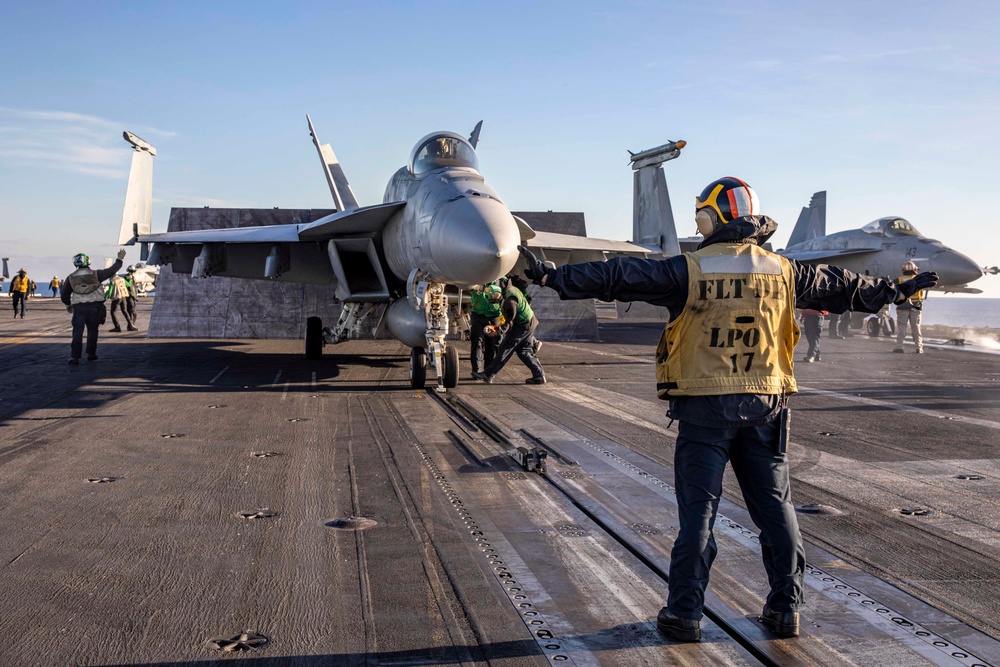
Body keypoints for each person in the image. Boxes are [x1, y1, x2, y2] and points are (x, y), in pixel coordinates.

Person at [518, 176, 938, 642]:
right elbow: (844, 288)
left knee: (699, 515)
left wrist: (551, 276)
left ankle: (684, 615)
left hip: (704, 409)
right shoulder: (784, 270)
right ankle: (786, 612)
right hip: (766, 406)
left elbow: (621, 276)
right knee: (777, 512)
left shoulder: (690, 269)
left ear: (712, 219)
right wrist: (897, 292)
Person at [474, 274, 546, 384]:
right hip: (530, 321)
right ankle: (539, 375)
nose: (495, 303)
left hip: (523, 325)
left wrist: (498, 331)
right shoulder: (509, 289)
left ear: (496, 295)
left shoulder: (509, 302)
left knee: (504, 349)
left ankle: (488, 375)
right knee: (524, 351)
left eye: (494, 301)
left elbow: (509, 321)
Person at [61, 250, 125, 364]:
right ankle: (91, 354)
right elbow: (112, 271)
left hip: (79, 308)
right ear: (88, 262)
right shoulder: (96, 274)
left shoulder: (71, 277)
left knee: (77, 332)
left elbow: (65, 294)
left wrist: (68, 304)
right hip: (95, 307)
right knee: (93, 331)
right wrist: (119, 259)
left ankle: (75, 357)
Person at [469, 280, 502, 378]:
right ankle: (476, 370)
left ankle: (488, 372)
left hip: (496, 316)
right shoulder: (476, 276)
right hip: (478, 314)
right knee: (477, 341)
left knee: (492, 344)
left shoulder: (502, 280)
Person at [893, 261, 927, 353]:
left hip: (902, 307)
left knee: (902, 327)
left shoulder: (898, 280)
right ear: (915, 270)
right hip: (916, 306)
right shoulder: (919, 280)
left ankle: (899, 347)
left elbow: (894, 291)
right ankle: (919, 348)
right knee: (916, 327)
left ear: (903, 270)